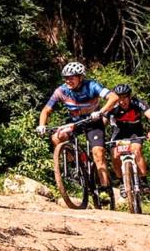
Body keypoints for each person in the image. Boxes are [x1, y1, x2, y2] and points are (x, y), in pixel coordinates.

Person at [37, 62, 119, 194]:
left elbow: (114, 97)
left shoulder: (92, 86)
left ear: (80, 77)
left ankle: (105, 187)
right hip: (75, 123)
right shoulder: (61, 91)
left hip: (93, 122)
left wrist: (101, 111)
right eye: (66, 78)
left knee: (98, 153)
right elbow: (46, 110)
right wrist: (42, 125)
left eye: (72, 77)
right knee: (57, 137)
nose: (68, 80)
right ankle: (75, 165)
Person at [107, 84, 150, 197]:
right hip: (119, 133)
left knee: (136, 151)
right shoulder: (113, 106)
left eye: (124, 97)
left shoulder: (137, 103)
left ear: (130, 96)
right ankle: (121, 182)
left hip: (135, 132)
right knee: (115, 155)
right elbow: (103, 121)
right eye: (119, 97)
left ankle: (144, 181)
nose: (122, 101)